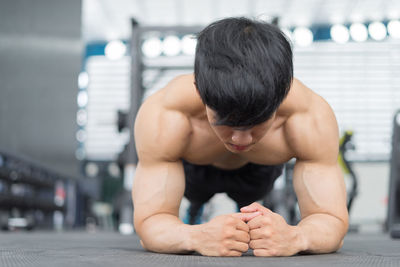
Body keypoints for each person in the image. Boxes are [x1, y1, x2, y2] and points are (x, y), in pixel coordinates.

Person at [132, 17, 348, 257]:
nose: (241, 140)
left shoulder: (308, 116)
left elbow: (331, 219)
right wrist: (195, 236)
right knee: (195, 198)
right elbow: (149, 222)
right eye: (227, 122)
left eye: (258, 122)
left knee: (249, 204)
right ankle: (195, 210)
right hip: (196, 169)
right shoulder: (166, 114)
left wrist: (296, 236)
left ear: (283, 94)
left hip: (258, 172)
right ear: (199, 89)